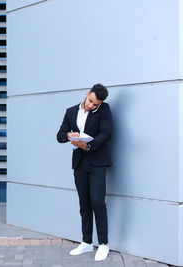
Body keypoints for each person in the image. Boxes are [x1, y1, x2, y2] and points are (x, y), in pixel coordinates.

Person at [56, 84, 112, 261]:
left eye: (95, 104)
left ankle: (103, 244)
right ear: (87, 94)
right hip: (80, 162)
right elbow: (59, 135)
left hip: (97, 161)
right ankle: (87, 242)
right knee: (84, 203)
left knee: (97, 202)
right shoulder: (71, 111)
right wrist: (69, 136)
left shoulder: (104, 109)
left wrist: (88, 145)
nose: (91, 106)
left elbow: (106, 133)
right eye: (91, 101)